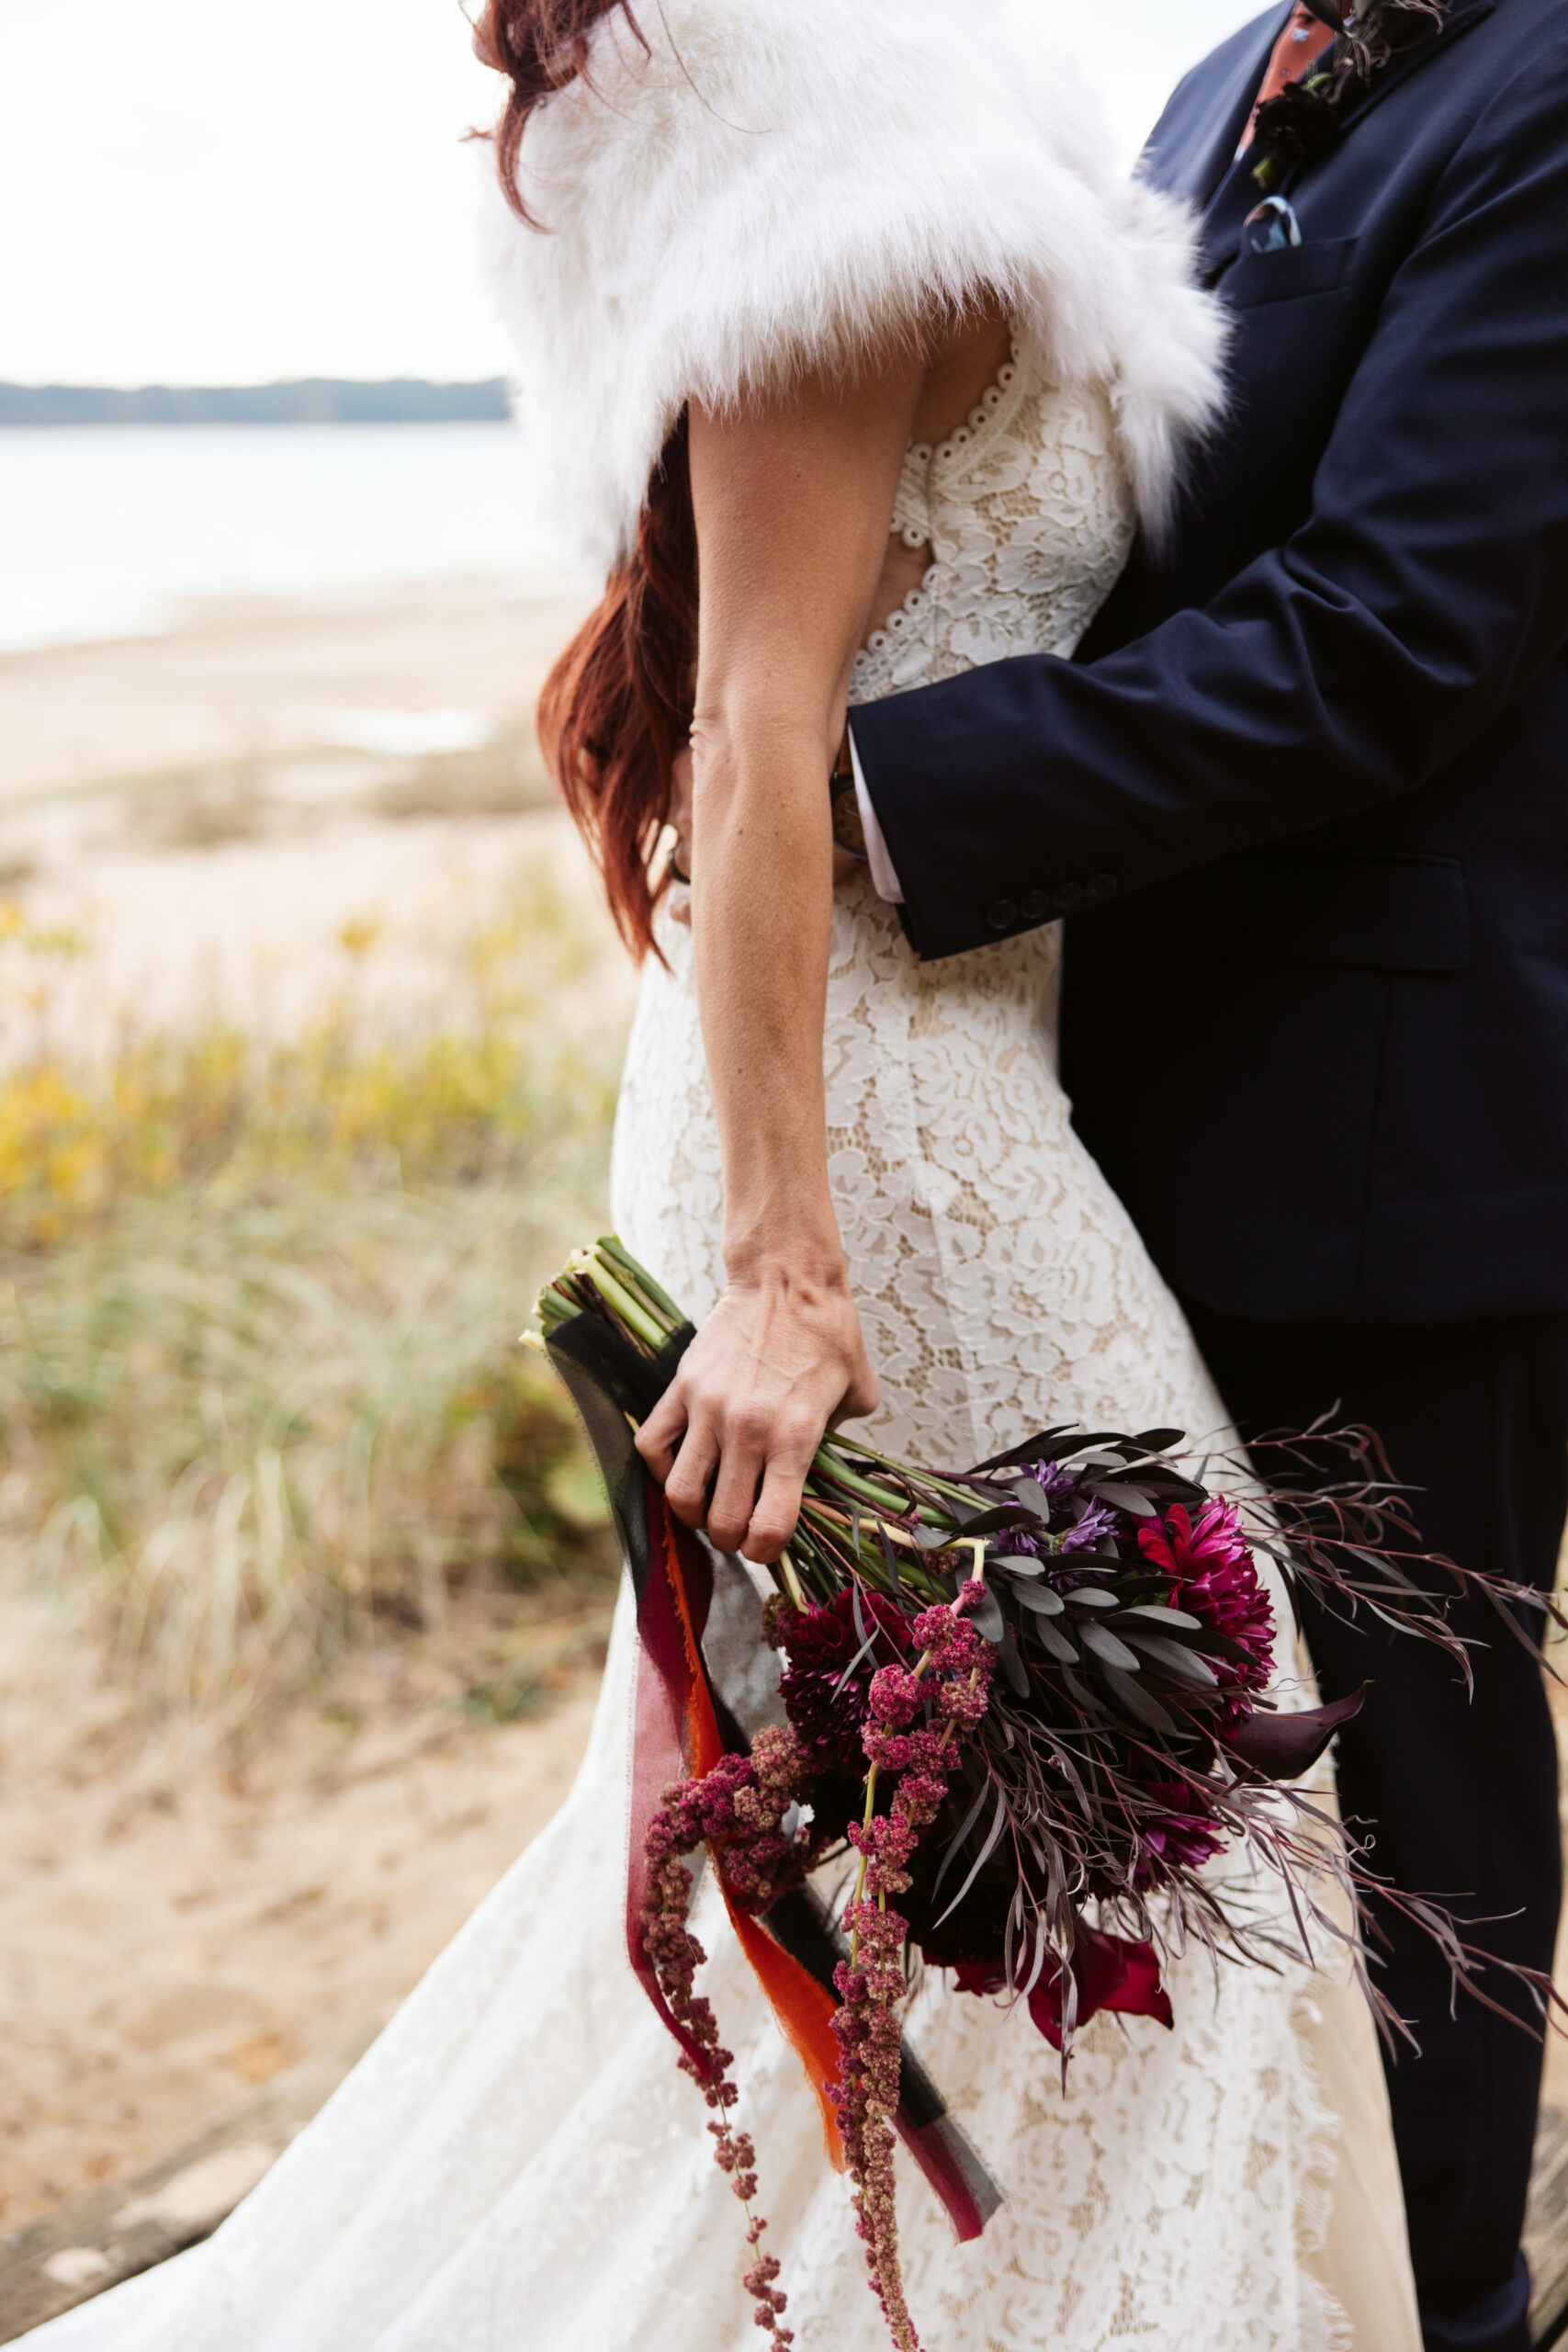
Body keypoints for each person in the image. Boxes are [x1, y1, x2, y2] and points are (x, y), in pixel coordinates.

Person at [16, 2, 1442, 2346]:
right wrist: (781, 1269)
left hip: (944, 1079)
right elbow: (752, 734)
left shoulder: (944, 121)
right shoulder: (836, 157)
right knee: (1125, 1804)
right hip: (863, 1134)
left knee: (990, 1846)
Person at [806, 6, 1568, 2348]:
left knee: (1403, 1799)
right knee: (1160, 1792)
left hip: (1397, 1138)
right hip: (1095, 1108)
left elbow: (1392, 627)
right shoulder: (1217, 73)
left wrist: (889, 792)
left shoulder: (1542, 91)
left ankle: (1436, 2310)